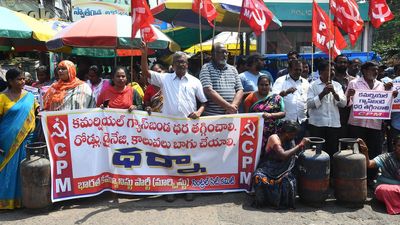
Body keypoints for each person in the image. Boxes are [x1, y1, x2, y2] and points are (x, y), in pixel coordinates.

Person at [141, 44, 207, 202]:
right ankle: (170, 189)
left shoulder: (195, 81)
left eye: (183, 61)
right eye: (178, 61)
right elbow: (145, 72)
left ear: (187, 64)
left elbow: (204, 102)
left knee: (187, 158)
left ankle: (188, 188)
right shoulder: (164, 79)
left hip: (188, 128)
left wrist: (198, 112)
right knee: (169, 159)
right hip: (168, 129)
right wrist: (144, 54)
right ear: (173, 64)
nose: (181, 64)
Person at [346, 61, 396, 183]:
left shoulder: (382, 85)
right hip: (357, 124)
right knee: (356, 152)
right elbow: (346, 104)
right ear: (364, 70)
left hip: (375, 124)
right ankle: (355, 178)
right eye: (373, 69)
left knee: (374, 151)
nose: (376, 72)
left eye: (377, 69)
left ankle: (371, 179)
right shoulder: (354, 83)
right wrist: (349, 96)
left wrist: (391, 95)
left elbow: (385, 105)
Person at [0, 68, 38, 209]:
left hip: (27, 139)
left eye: (23, 78)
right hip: (6, 140)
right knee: (6, 170)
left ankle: (23, 201)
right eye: (19, 79)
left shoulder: (29, 96)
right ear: (10, 81)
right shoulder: (2, 98)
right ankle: (5, 202)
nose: (23, 81)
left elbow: (36, 114)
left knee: (22, 168)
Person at [253, 121, 309, 209]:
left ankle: (279, 203)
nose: (295, 137)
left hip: (284, 169)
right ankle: (264, 202)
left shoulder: (290, 140)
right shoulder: (274, 138)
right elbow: (283, 155)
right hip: (268, 168)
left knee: (287, 181)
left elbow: (292, 155)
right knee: (258, 177)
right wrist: (300, 145)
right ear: (286, 133)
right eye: (293, 134)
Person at [307, 60, 347, 156]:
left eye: (333, 70)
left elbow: (343, 103)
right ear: (321, 72)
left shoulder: (337, 85)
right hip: (317, 125)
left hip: (333, 125)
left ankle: (331, 171)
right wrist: (323, 93)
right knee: (317, 153)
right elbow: (309, 104)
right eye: (329, 70)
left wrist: (334, 92)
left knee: (332, 151)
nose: (332, 72)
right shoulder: (313, 85)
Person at [358, 138, 400, 215]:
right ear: (394, 147)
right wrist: (365, 152)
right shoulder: (385, 157)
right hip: (388, 191)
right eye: (399, 146)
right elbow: (369, 164)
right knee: (382, 190)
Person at [200, 42, 243, 115]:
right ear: (213, 54)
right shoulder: (206, 68)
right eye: (222, 52)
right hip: (213, 116)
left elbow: (240, 90)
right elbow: (208, 90)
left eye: (226, 52)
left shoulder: (233, 69)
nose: (225, 55)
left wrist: (233, 106)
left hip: (231, 114)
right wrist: (228, 107)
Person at [244, 75, 285, 151]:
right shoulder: (250, 98)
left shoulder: (277, 98)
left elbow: (283, 113)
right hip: (255, 133)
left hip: (273, 133)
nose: (264, 87)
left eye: (266, 85)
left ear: (270, 85)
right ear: (257, 85)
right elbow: (246, 117)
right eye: (261, 85)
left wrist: (271, 115)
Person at [272, 59, 309, 142]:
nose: (298, 72)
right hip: (285, 121)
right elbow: (273, 98)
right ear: (289, 69)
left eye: (300, 70)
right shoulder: (280, 81)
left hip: (301, 121)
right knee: (286, 147)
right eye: (296, 69)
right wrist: (285, 92)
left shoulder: (306, 82)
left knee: (300, 147)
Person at [332, 54, 355, 138]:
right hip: (333, 114)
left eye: (345, 62)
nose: (342, 64)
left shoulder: (353, 80)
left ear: (348, 64)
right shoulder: (329, 79)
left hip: (348, 116)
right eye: (340, 62)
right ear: (335, 64)